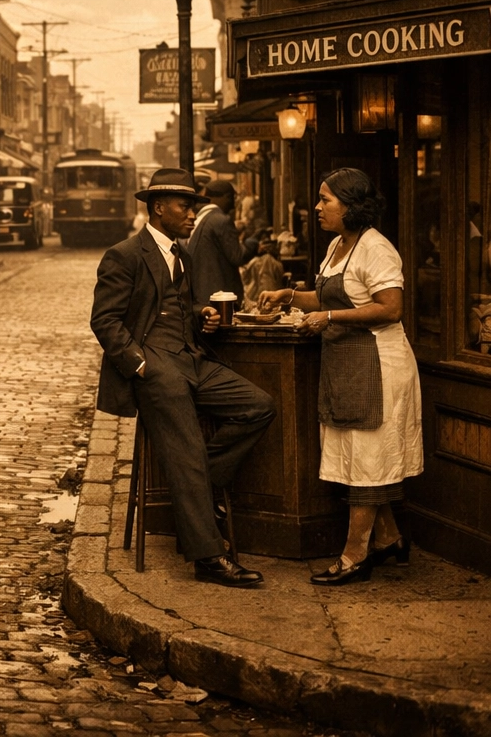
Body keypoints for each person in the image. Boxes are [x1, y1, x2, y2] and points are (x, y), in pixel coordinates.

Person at [90, 167, 275, 588]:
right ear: (159, 208)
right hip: (154, 367)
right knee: (187, 446)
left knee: (258, 406)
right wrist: (140, 365)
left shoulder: (182, 255)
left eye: (193, 206)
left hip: (191, 360)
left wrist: (201, 313)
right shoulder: (125, 254)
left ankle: (197, 487)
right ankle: (208, 558)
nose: (193, 214)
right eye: (184, 206)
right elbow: (104, 321)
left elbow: (178, 307)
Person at [259, 169, 423, 585]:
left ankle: (354, 556)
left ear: (351, 206)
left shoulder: (377, 249)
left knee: (368, 460)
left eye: (325, 200)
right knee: (359, 457)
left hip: (378, 367)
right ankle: (389, 539)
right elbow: (325, 296)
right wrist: (288, 296)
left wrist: (329, 317)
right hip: (348, 365)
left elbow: (391, 308)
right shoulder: (337, 245)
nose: (317, 207)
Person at [186, 180, 246, 308]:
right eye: (232, 198)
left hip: (201, 296)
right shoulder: (221, 220)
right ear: (226, 197)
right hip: (221, 298)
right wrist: (255, 244)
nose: (233, 204)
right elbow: (237, 256)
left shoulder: (200, 218)